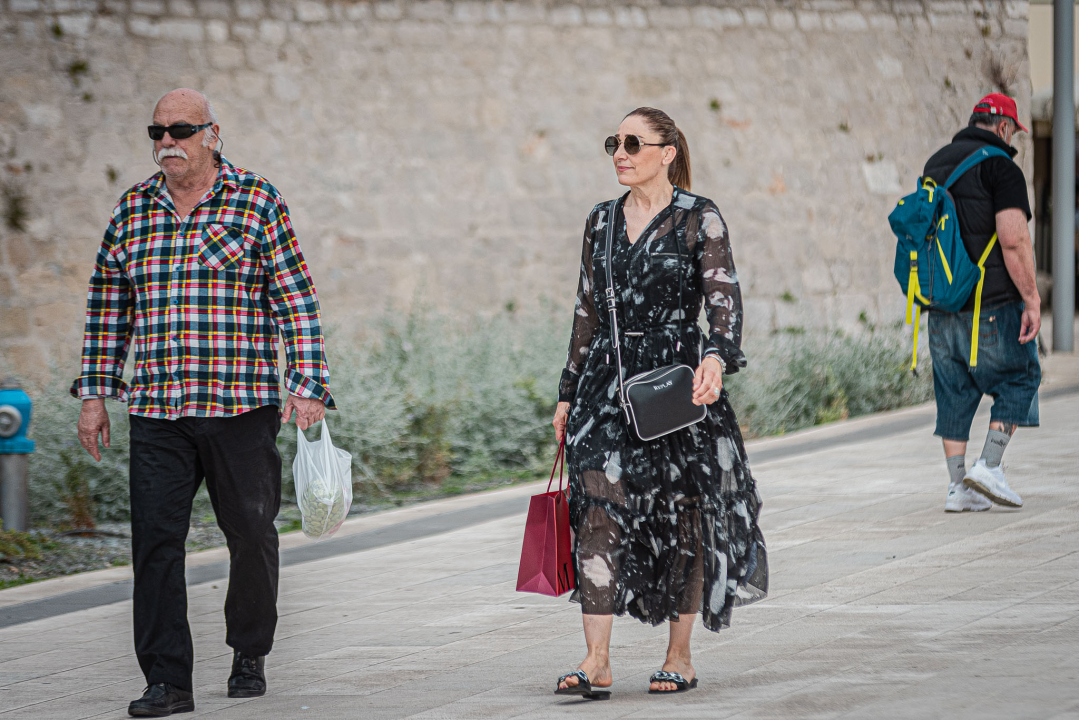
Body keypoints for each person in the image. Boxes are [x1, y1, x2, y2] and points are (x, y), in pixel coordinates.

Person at [72, 89, 335, 717]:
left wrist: (306, 383)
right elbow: (109, 309)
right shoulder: (132, 210)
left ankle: (250, 648)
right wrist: (95, 393)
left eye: (181, 129)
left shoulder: (256, 200)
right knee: (154, 542)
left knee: (250, 534)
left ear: (211, 133)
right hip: (159, 410)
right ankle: (168, 680)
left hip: (240, 407)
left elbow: (293, 298)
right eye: (157, 130)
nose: (167, 140)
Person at [551, 107, 768, 697]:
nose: (619, 153)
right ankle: (596, 660)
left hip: (676, 385)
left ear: (666, 152)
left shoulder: (700, 217)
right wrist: (568, 392)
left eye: (632, 143)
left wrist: (718, 358)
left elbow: (724, 297)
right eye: (613, 143)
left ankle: (680, 655)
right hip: (608, 383)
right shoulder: (600, 220)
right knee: (598, 501)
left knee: (683, 514)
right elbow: (586, 311)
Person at [921, 93, 1040, 513]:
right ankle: (989, 465)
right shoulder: (1002, 167)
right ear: (1005, 127)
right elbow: (1013, 237)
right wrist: (1032, 298)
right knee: (1022, 376)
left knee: (953, 393)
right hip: (991, 302)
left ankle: (958, 488)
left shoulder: (935, 164)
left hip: (940, 305)